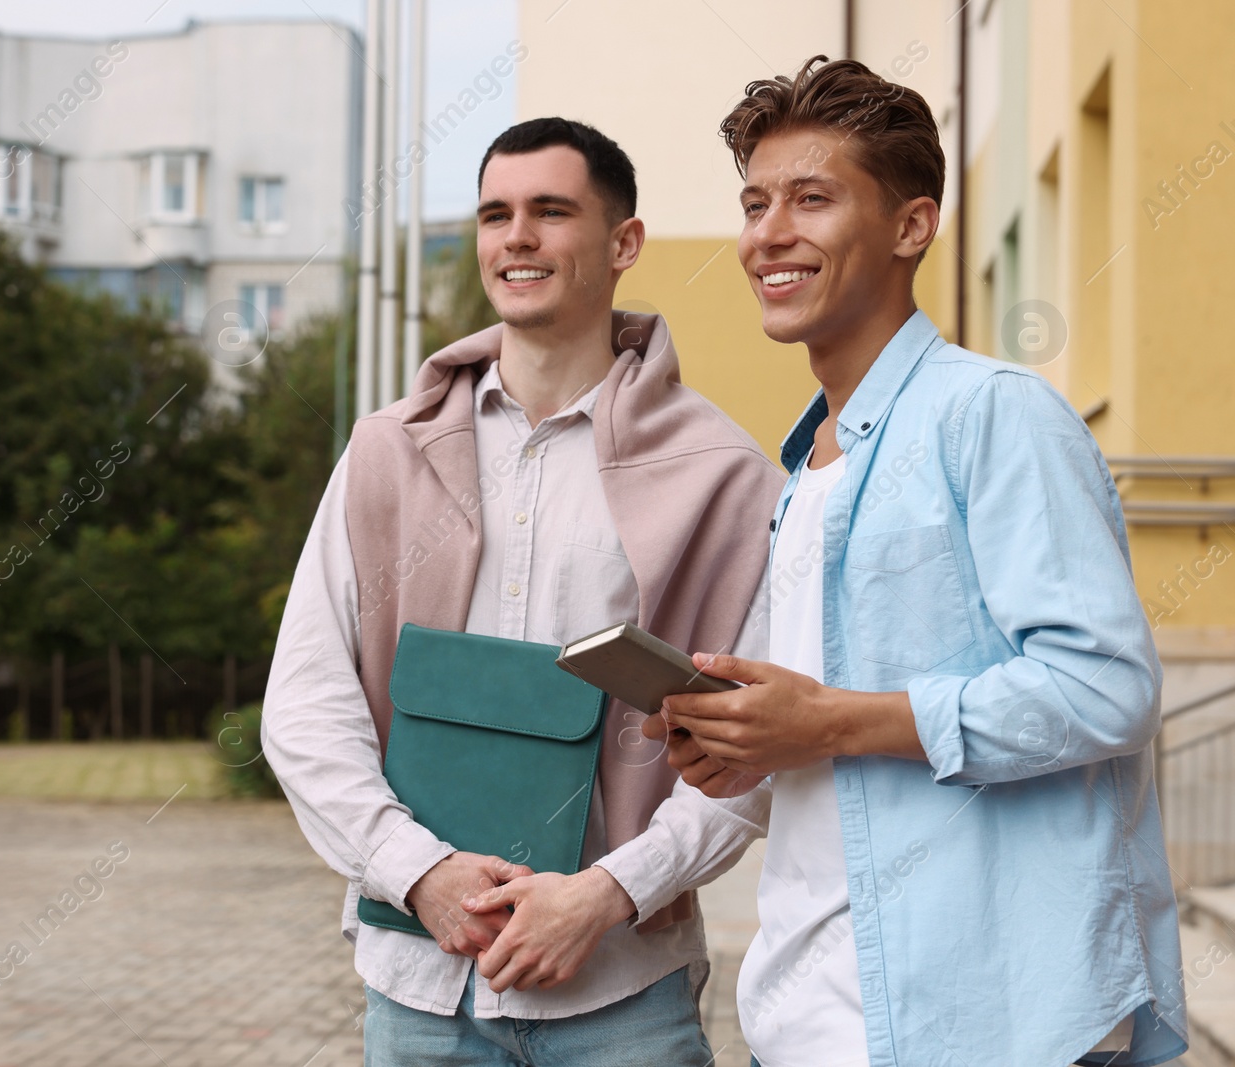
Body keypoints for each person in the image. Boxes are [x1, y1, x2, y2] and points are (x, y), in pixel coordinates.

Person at [647, 56, 1188, 1066]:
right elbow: (832, 738)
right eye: (754, 202)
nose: (768, 233)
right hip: (801, 1020)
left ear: (910, 225)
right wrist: (747, 744)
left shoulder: (992, 413)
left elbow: (1107, 686)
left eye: (811, 199)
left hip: (978, 1023)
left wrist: (828, 719)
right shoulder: (807, 462)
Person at [260, 117, 784, 1065]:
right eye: (496, 214)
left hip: (623, 990)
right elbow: (304, 702)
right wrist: (417, 872)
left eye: (551, 211)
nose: (518, 238)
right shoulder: (385, 451)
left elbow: (753, 747)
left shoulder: (724, 476)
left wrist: (608, 892)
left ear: (624, 242)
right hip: (417, 993)